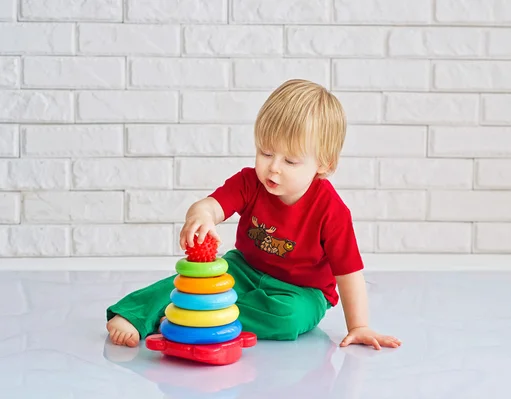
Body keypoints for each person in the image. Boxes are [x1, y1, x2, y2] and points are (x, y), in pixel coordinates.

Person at [106, 79, 401, 350]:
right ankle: (136, 313)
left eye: (291, 160)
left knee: (287, 318)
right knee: (186, 281)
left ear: (323, 165)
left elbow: (349, 274)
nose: (273, 167)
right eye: (266, 152)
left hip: (302, 292)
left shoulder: (331, 211)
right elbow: (211, 205)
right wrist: (201, 216)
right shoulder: (250, 182)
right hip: (245, 268)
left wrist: (359, 325)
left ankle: (194, 318)